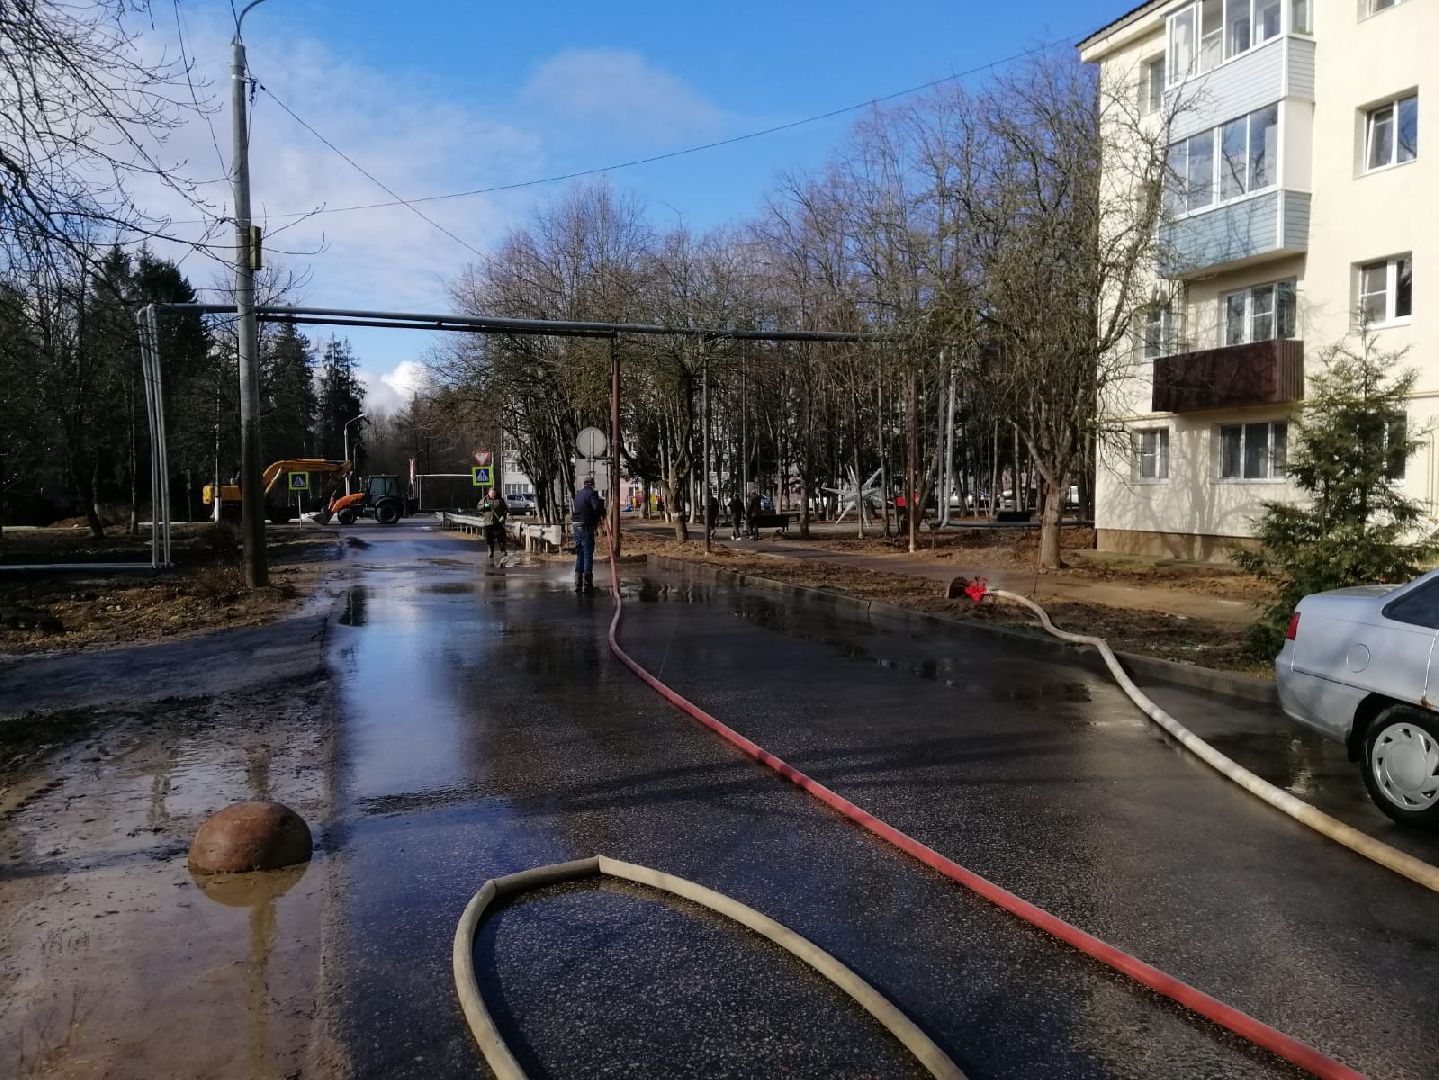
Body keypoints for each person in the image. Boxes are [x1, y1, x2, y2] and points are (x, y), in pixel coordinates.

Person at [572, 475, 606, 592]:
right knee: (587, 554)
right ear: (592, 484)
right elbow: (596, 507)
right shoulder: (592, 494)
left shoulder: (578, 495)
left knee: (580, 554)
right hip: (586, 526)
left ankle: (577, 583)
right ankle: (587, 585)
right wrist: (600, 512)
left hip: (576, 527)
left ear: (584, 484)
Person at [479, 489, 509, 559]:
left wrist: (503, 517)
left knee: (500, 537)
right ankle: (490, 552)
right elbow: (479, 507)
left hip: (498, 522)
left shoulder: (499, 500)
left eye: (494, 493)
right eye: (492, 493)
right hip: (488, 522)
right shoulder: (485, 499)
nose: (493, 495)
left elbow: (505, 510)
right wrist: (484, 506)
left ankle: (503, 550)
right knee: (489, 538)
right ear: (488, 493)